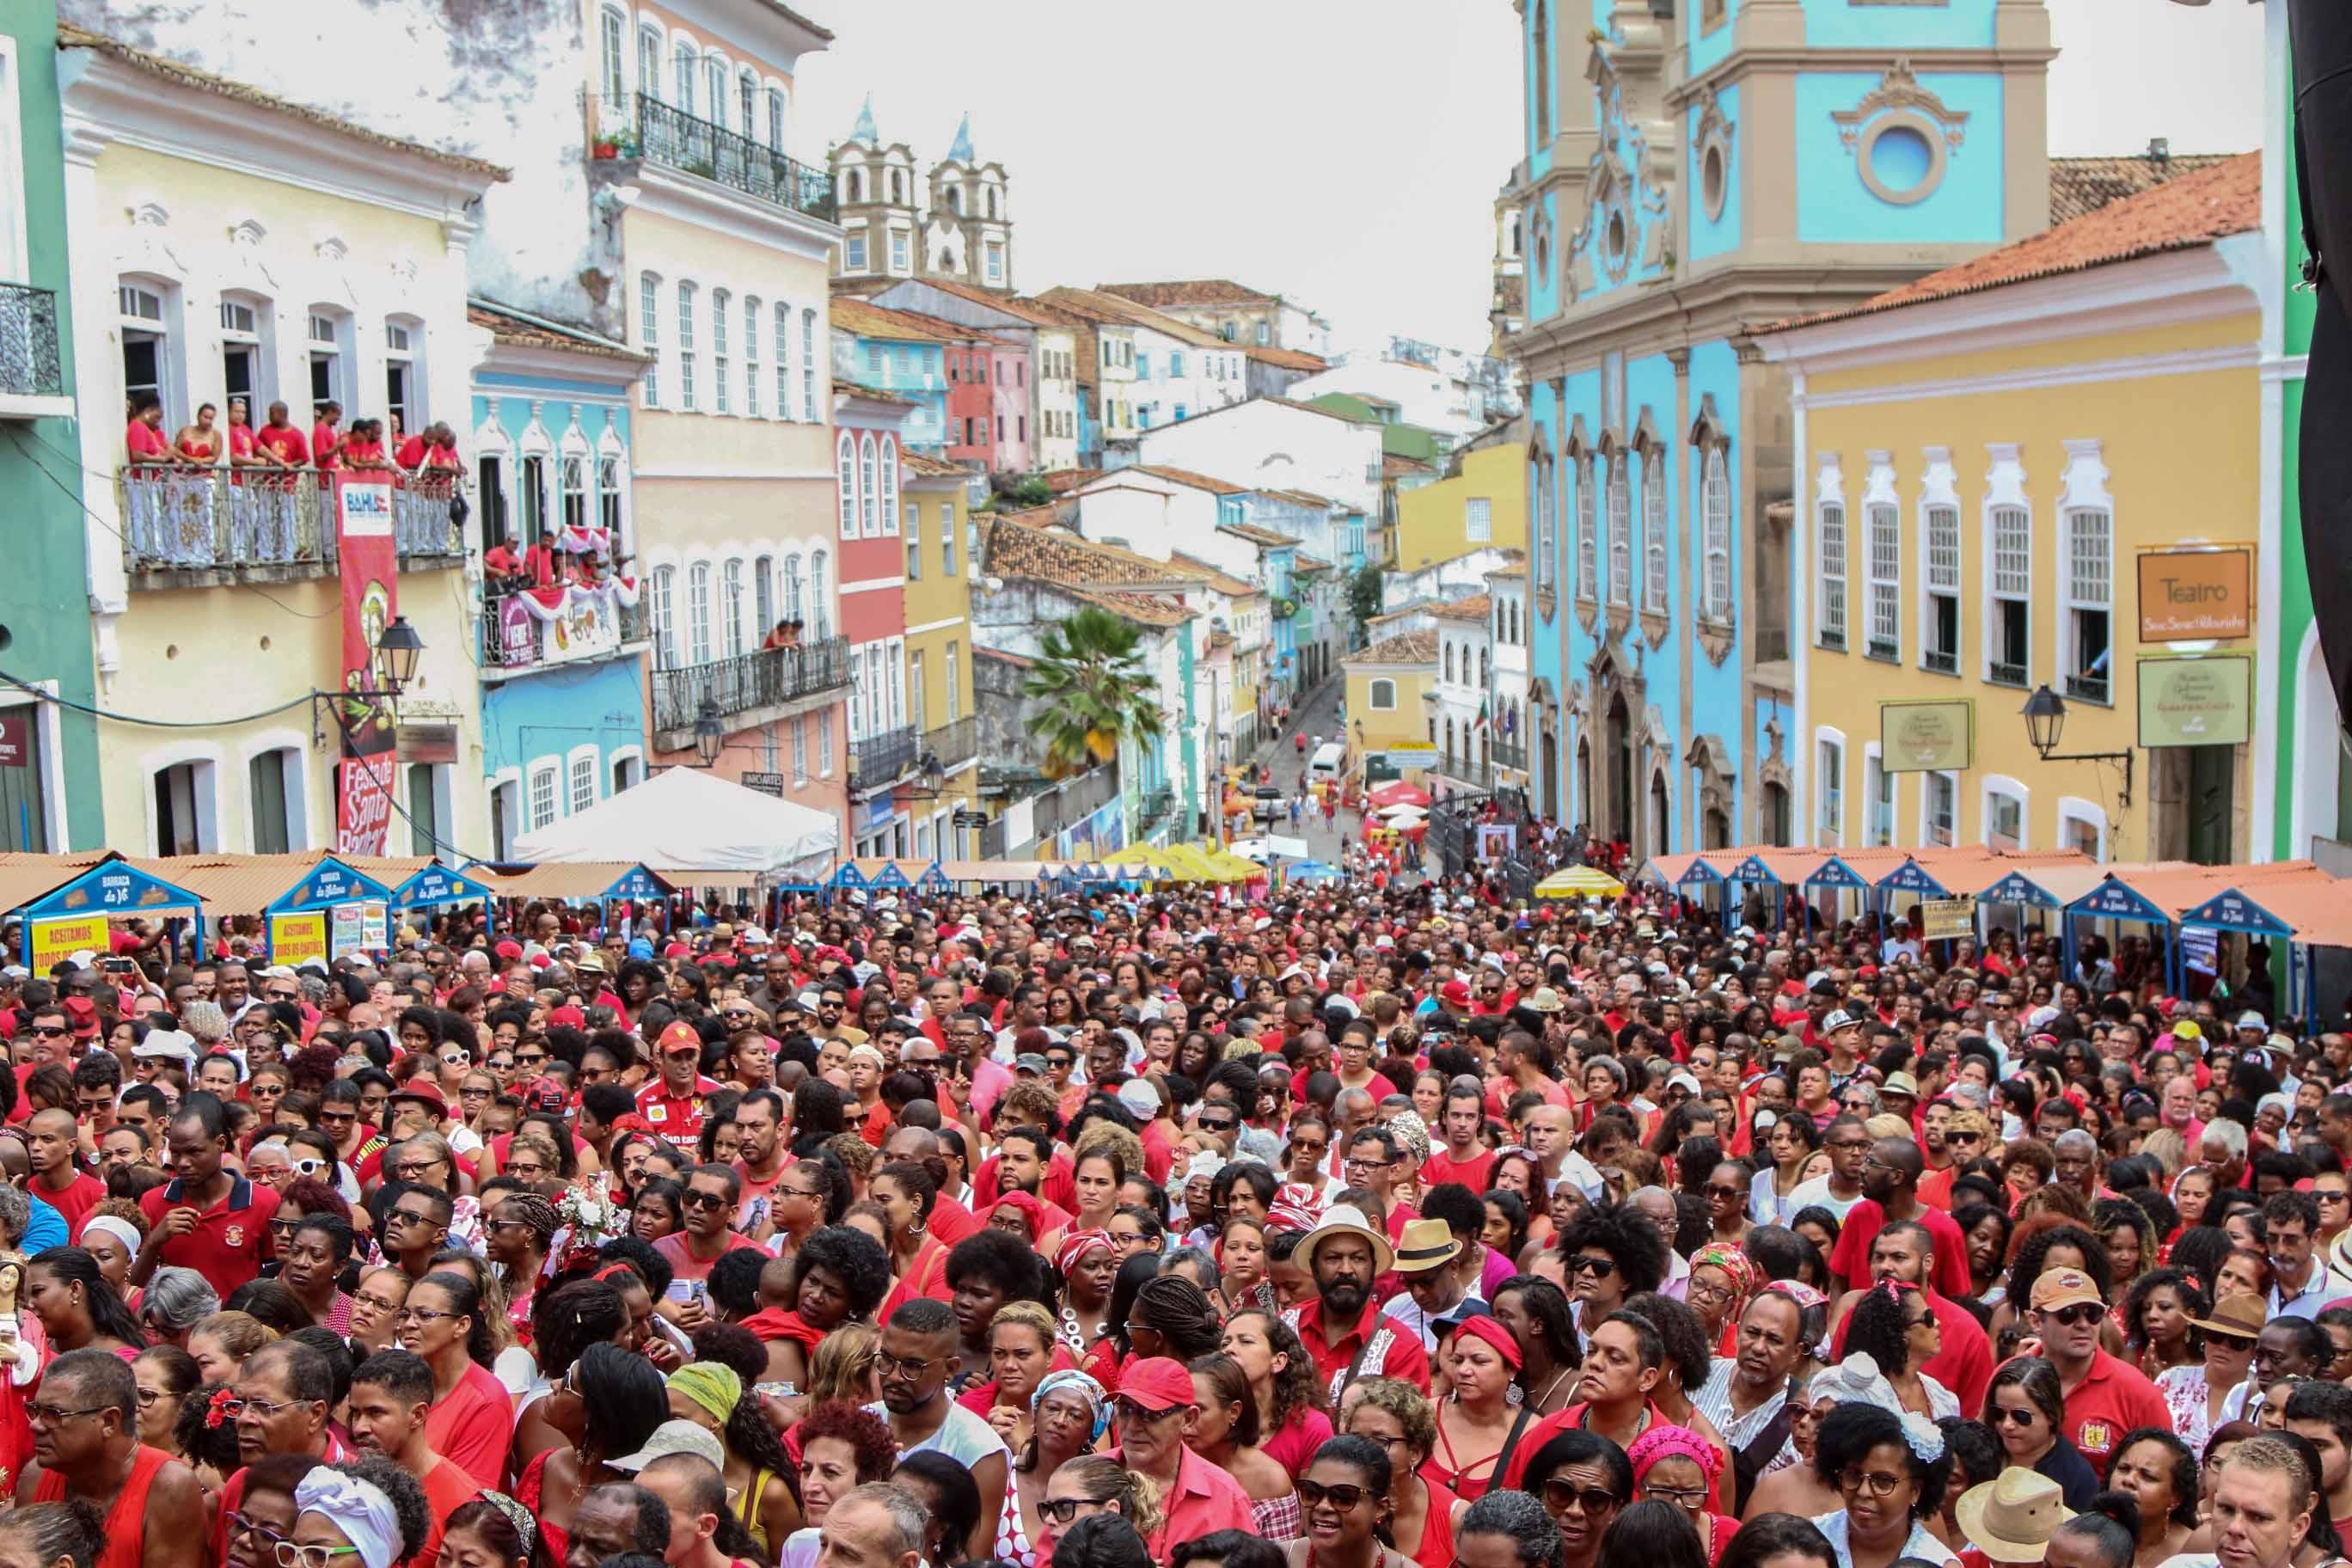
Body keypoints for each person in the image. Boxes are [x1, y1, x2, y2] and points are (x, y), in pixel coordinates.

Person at [11, 1348, 205, 1568]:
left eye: (54, 1414)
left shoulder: (169, 1485)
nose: (35, 1425)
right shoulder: (35, 1476)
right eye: (36, 1410)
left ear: (109, 1421)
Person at [874, 1299, 1008, 1560]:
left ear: (950, 1369)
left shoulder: (980, 1450)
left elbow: (974, 1562)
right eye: (887, 1360)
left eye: (913, 1366)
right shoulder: (861, 1423)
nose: (893, 1376)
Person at [341, 1350, 486, 1568]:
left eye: (375, 1413)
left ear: (417, 1415)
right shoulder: (343, 1483)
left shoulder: (462, 1501)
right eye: (355, 1413)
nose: (359, 1427)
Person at [1109, 1356, 1256, 1559]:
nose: (1132, 1426)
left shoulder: (1225, 1495)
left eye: (1148, 1414)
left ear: (1188, 1419)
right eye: (1125, 1411)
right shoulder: (1082, 1478)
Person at [2023, 1268, 2167, 1473]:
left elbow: (2164, 1473)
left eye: (2093, 1314)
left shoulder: (2138, 1393)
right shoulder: (2009, 1379)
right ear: (2036, 1321)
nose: (2083, 1324)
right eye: (2068, 1314)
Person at [1290, 1207, 1430, 1400]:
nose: (1346, 1269)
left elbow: (1409, 1426)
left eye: (1358, 1259)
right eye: (1333, 1258)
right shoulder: (1285, 1328)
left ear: (1373, 1267)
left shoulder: (1401, 1348)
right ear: (1314, 1266)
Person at [395, 1271, 512, 1491]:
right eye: (405, 1314)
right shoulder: (398, 1380)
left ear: (462, 1325)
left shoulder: (486, 1401)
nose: (409, 1324)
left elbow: (465, 1502)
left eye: (425, 1315)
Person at [1805, 1400, 1957, 1568]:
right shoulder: (1809, 1541)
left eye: (1883, 1481)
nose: (1863, 1492)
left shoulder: (1938, 1563)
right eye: (1854, 1475)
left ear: (1915, 1491)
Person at [1343, 1376, 1463, 1568]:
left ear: (1415, 1452)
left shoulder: (1456, 1520)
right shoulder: (1332, 1503)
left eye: (1381, 1441)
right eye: (1355, 1439)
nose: (1361, 1451)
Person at [1981, 1358, 2098, 1510]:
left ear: (2051, 1415)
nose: (2007, 1424)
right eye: (1999, 1413)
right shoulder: (1980, 1453)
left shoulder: (2078, 1477)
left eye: (2021, 1416)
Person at [1280, 1436, 1414, 1568]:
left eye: (1343, 1497)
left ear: (1380, 1508)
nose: (1322, 1506)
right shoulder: (1276, 1561)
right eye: (1312, 1493)